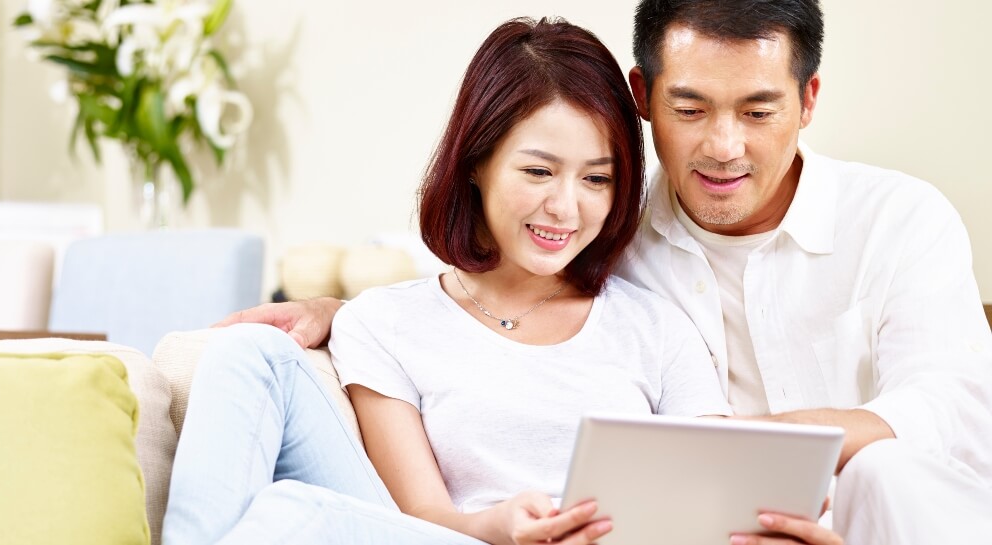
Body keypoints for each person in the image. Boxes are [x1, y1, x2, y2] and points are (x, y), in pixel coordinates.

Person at [218, 1, 992, 543]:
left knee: (885, 473)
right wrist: (333, 306)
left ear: (807, 98)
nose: (724, 146)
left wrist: (736, 451)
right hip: (692, 522)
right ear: (643, 97)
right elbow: (479, 292)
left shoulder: (898, 219)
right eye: (690, 109)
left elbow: (950, 408)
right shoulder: (608, 231)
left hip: (883, 520)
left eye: (757, 111)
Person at [161, 16, 788, 545]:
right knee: (250, 355)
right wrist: (500, 525)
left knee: (286, 516)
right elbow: (420, 518)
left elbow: (711, 514)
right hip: (460, 539)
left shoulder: (655, 329)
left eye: (596, 179)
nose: (566, 208)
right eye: (539, 172)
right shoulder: (382, 324)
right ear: (476, 164)